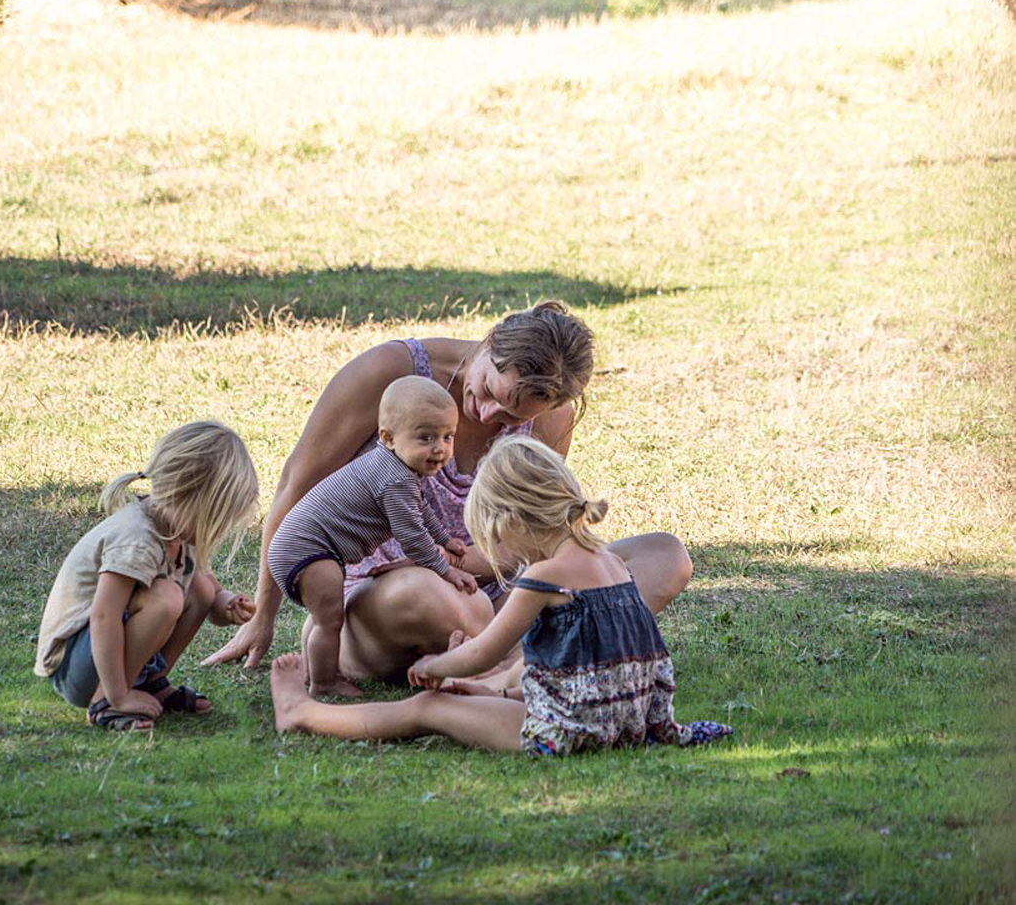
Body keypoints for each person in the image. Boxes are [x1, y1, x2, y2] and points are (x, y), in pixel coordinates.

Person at [204, 301, 693, 680]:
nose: (486, 417)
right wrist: (263, 615)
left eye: (512, 418)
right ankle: (517, 667)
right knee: (436, 594)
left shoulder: (550, 414)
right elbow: (298, 483)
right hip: (386, 596)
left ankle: (497, 667)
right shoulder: (391, 373)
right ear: (490, 341)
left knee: (664, 557)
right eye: (488, 392)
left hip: (490, 593)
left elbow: (533, 533)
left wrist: (472, 565)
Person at [269, 436, 732, 754]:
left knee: (428, 708)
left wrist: (434, 667)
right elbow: (583, 663)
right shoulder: (612, 565)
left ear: (511, 522)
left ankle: (303, 712)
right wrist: (492, 689)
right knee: (472, 696)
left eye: (492, 536)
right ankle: (485, 698)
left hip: (569, 730)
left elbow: (483, 651)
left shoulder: (543, 577)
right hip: (628, 723)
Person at [34, 420, 259, 731]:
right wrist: (117, 694)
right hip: (76, 664)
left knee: (202, 588)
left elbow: (210, 601)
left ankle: (151, 683)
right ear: (187, 498)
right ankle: (108, 704)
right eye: (214, 519)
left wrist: (228, 604)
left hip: (106, 656)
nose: (217, 531)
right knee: (166, 598)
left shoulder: (179, 532)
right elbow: (103, 616)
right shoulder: (137, 540)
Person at [267, 376, 478, 697]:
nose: (440, 448)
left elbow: (421, 511)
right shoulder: (393, 480)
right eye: (426, 437)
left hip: (301, 547)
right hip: (308, 549)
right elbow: (412, 537)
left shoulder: (397, 470)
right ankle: (323, 682)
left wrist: (446, 539)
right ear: (388, 438)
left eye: (448, 436)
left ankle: (313, 668)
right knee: (330, 619)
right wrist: (446, 569)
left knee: (326, 613)